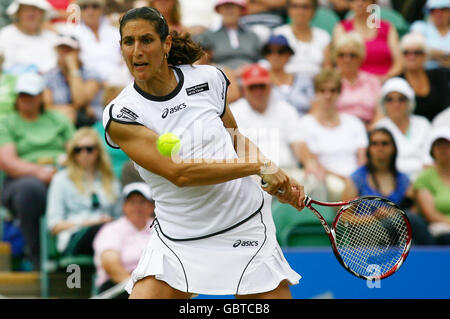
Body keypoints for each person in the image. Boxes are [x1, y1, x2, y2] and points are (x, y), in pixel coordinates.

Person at [103, 7, 305, 299]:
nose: (137, 51)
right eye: (128, 42)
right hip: (179, 237)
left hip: (242, 223)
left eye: (146, 40)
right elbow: (180, 174)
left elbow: (234, 138)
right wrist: (257, 167)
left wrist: (271, 171)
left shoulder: (208, 79)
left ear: (166, 44)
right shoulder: (122, 114)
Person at [0, 72, 75, 270]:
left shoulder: (58, 120)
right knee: (31, 191)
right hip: (21, 180)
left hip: (62, 174)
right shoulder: (7, 123)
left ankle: (73, 252)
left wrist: (64, 165)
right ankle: (36, 256)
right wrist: (38, 171)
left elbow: (76, 149)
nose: (26, 100)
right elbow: (7, 161)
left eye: (31, 95)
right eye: (22, 95)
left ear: (41, 96)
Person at [230, 64, 326, 200]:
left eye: (261, 86)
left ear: (270, 87)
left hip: (288, 172)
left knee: (316, 181)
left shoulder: (285, 109)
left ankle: (319, 222)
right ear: (244, 90)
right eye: (253, 87)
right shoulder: (234, 112)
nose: (258, 91)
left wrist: (309, 162)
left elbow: (299, 143)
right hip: (254, 174)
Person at [341, 127, 435, 245]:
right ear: (369, 149)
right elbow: (343, 218)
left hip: (397, 235)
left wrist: (395, 215)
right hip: (366, 235)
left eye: (384, 143)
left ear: (393, 148)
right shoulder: (356, 178)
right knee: (406, 220)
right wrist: (374, 217)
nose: (379, 148)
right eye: (374, 144)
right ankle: (434, 253)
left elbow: (414, 211)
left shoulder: (403, 180)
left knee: (411, 236)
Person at [46, 127, 120, 257]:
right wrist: (87, 223)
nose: (83, 154)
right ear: (72, 153)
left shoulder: (110, 179)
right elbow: (54, 226)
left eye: (89, 149)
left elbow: (120, 218)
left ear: (98, 152)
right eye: (78, 150)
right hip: (74, 237)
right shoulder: (61, 180)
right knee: (101, 231)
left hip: (110, 235)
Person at [297, 68, 368, 201]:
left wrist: (355, 180)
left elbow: (362, 159)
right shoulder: (305, 124)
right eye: (322, 91)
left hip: (357, 179)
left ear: (339, 92)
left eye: (332, 90)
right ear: (316, 93)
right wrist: (345, 180)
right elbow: (312, 161)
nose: (328, 95)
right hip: (328, 181)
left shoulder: (354, 122)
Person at [93, 182, 154, 298]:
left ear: (151, 207)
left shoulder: (160, 229)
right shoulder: (112, 229)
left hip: (153, 285)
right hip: (118, 285)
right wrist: (137, 290)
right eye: (132, 202)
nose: (137, 207)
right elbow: (111, 265)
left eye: (142, 202)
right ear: (124, 207)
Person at [374, 77, 432, 180]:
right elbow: (382, 163)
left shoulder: (423, 123)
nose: (396, 104)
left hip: (425, 179)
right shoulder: (379, 127)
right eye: (390, 100)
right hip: (393, 180)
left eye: (401, 99)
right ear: (384, 103)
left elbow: (430, 157)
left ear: (409, 101)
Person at [43, 33, 103, 128]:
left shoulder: (91, 74)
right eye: (62, 50)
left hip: (92, 124)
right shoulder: (49, 76)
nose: (65, 54)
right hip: (61, 121)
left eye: (69, 50)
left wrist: (73, 69)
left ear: (78, 52)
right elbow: (46, 106)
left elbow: (80, 101)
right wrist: (68, 110)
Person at [333, 0, 403, 80]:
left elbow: (399, 63)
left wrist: (385, 78)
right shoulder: (341, 28)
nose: (359, 4)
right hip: (354, 82)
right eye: (354, 1)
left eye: (364, 0)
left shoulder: (387, 27)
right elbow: (340, 62)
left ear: (372, 3)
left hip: (386, 81)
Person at [194, 0, 262, 72]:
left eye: (233, 6)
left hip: (251, 76)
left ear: (241, 10)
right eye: (225, 6)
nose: (229, 10)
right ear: (219, 10)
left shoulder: (252, 35)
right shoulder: (208, 35)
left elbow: (261, 61)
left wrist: (249, 69)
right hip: (220, 75)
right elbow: (204, 63)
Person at [333, 31, 383, 128]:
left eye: (352, 55)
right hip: (338, 130)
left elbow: (380, 112)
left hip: (368, 129)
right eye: (341, 55)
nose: (347, 59)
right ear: (336, 58)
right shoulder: (330, 80)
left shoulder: (372, 81)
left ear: (360, 57)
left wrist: (373, 129)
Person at [398, 32, 449, 122]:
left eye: (417, 52)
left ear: (426, 55)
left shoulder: (440, 75)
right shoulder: (397, 81)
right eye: (406, 52)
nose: (411, 56)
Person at [273, 0, 332, 78]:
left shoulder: (323, 36)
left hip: (316, 86)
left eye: (305, 7)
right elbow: (274, 68)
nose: (300, 11)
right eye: (295, 6)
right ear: (288, 10)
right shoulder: (278, 34)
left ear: (314, 11)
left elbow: (327, 69)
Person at [261, 34, 315, 116]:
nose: (275, 56)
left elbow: (314, 105)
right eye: (270, 51)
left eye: (281, 51)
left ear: (289, 54)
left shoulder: (303, 78)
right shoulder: (260, 81)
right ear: (265, 55)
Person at [414, 126, 450, 245]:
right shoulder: (424, 178)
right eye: (438, 145)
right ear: (432, 150)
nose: (442, 149)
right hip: (440, 229)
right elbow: (430, 214)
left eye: (446, 145)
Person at [0, 0, 57, 74]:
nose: (31, 14)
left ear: (43, 15)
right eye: (26, 10)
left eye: (36, 11)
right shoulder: (5, 34)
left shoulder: (52, 37)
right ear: (18, 14)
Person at [410, 0, 450, 70]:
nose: (438, 14)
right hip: (426, 75)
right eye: (433, 10)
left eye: (443, 9)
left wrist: (432, 55)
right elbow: (416, 50)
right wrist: (446, 55)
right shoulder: (419, 27)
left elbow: (423, 52)